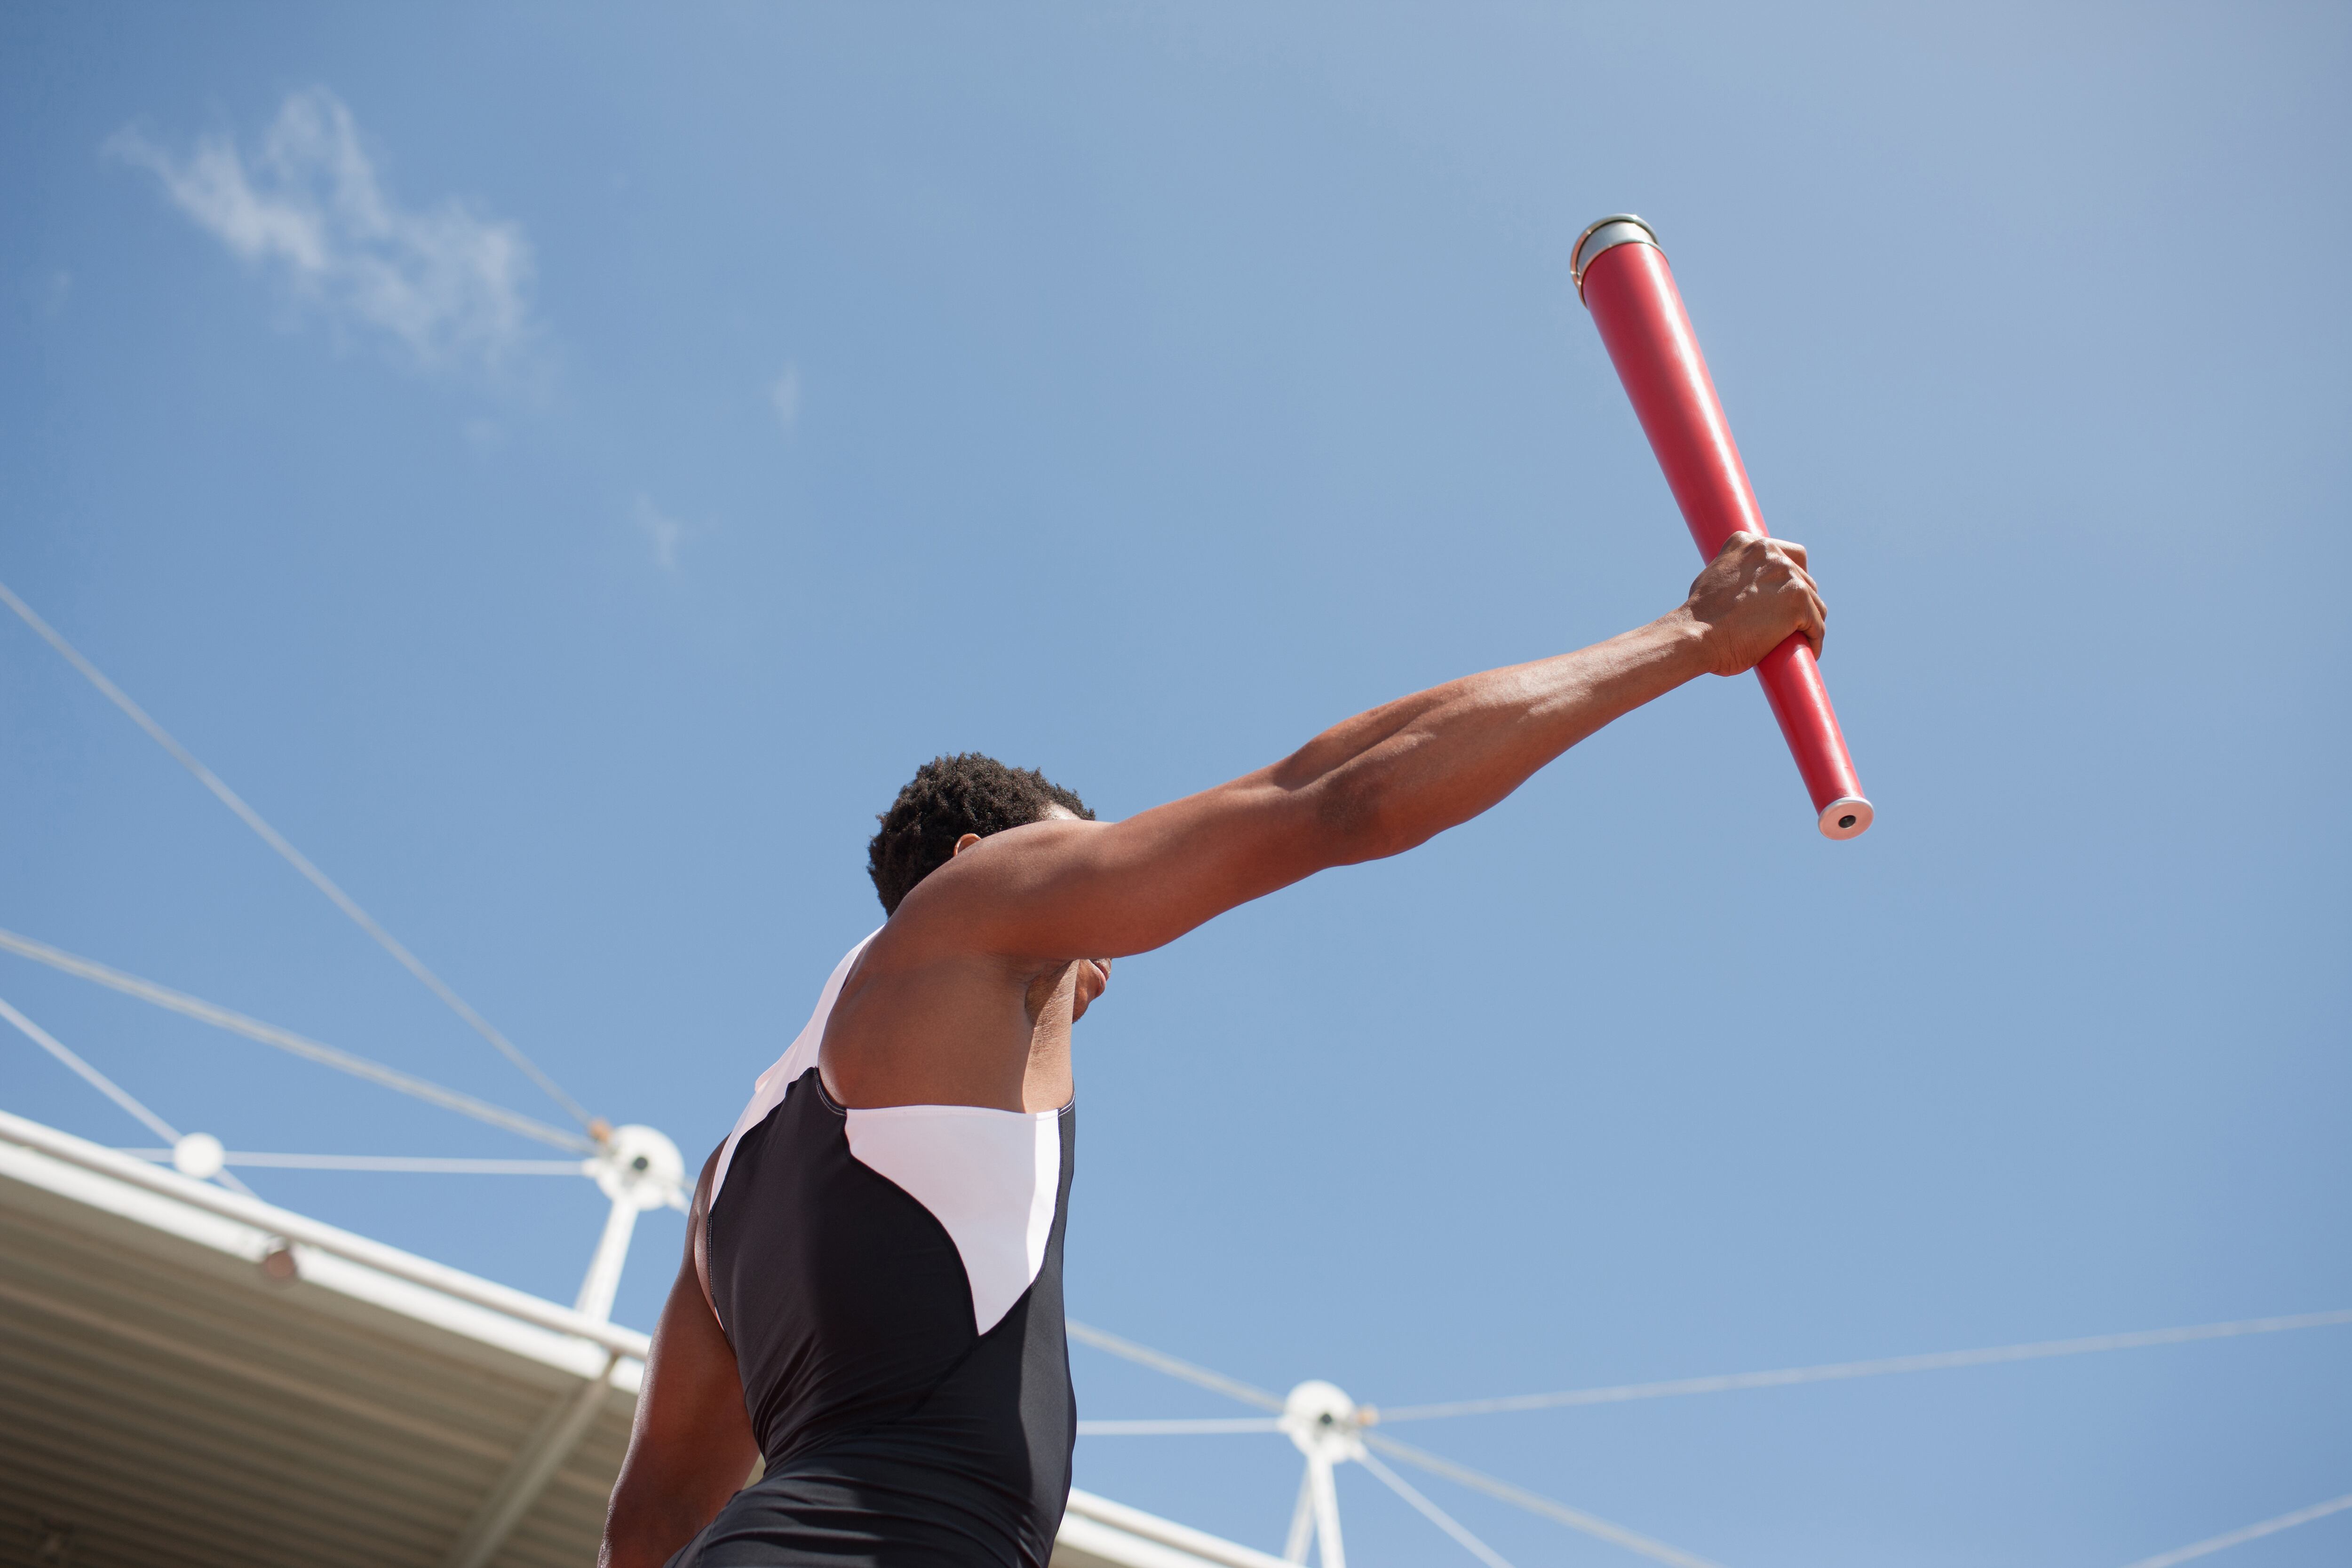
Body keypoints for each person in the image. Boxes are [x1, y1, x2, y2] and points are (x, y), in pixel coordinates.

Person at [599, 531, 1829, 1568]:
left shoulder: (726, 1184)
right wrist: (1688, 638)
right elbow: (1337, 807)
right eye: (1085, 867)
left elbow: (651, 1522)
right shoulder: (981, 913)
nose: (1108, 963)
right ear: (987, 857)